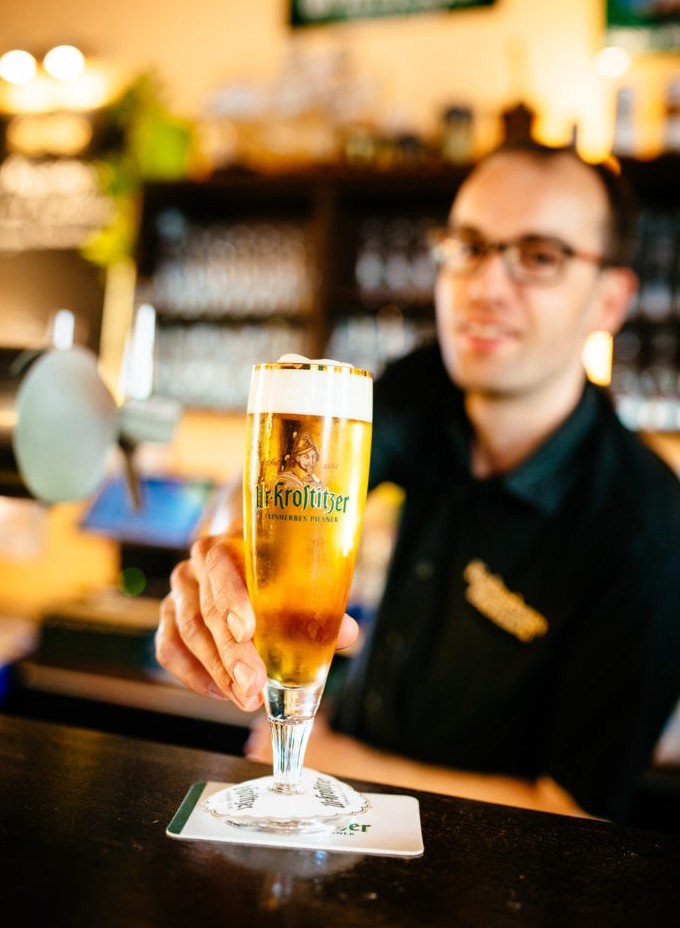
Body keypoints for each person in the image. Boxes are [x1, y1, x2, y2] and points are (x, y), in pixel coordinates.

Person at [155, 139, 680, 824]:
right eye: (467, 246)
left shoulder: (648, 525)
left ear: (610, 300)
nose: (485, 287)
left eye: (540, 258)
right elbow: (285, 484)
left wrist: (341, 766)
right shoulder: (426, 384)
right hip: (341, 839)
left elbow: (575, 811)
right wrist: (226, 545)